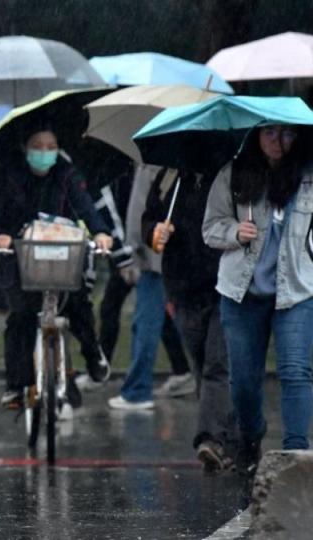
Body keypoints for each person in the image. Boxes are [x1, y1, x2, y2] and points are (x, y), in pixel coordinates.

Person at [0, 128, 114, 409]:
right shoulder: (9, 177)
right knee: (20, 319)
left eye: (51, 145)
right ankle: (16, 387)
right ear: (26, 149)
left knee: (79, 307)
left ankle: (93, 353)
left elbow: (86, 208)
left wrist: (101, 233)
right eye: (37, 145)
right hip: (19, 261)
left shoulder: (67, 175)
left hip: (62, 259)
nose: (44, 151)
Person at [203, 124, 313, 478]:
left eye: (287, 134)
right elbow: (210, 227)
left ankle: (297, 456)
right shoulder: (233, 173)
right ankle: (251, 436)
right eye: (269, 134)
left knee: (296, 372)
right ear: (256, 136)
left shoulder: (308, 175)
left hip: (296, 290)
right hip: (241, 293)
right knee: (244, 382)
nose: (278, 143)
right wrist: (234, 232)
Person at [144, 167, 237, 472]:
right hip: (182, 285)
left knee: (216, 364)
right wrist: (154, 232)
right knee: (200, 362)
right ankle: (231, 435)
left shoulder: (231, 174)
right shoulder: (169, 177)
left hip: (224, 284)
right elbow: (150, 219)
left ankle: (211, 439)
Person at [93, 166, 191, 398]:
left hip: (152, 257)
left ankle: (137, 391)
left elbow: (138, 215)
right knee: (163, 317)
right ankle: (184, 371)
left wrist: (133, 255)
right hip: (177, 256)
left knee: (145, 322)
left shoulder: (149, 166)